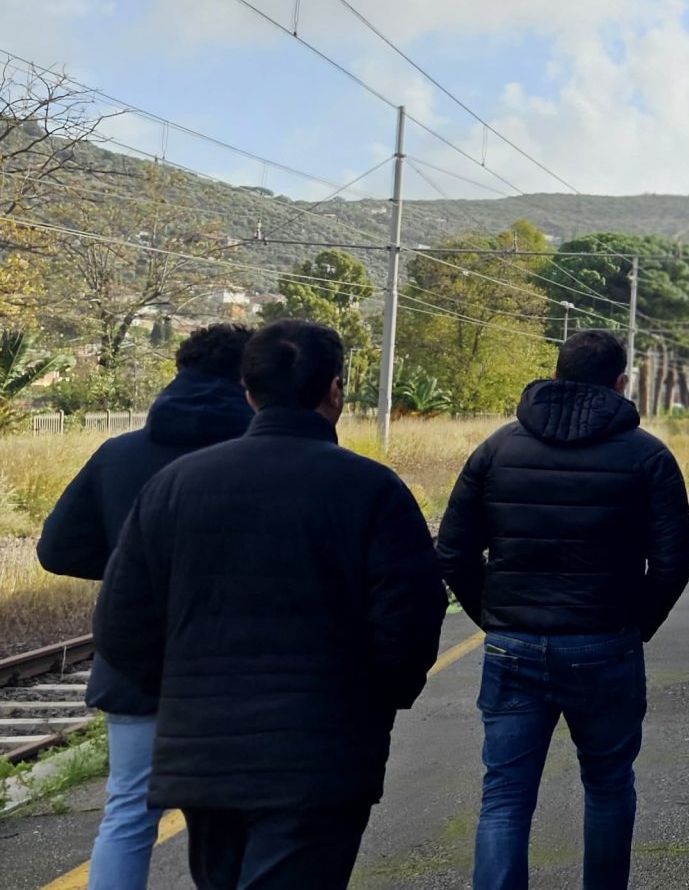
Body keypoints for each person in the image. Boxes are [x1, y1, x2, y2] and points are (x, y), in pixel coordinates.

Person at [93, 319, 445, 889]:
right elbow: (410, 621)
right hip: (322, 753)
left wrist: (185, 695)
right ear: (335, 389)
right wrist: (372, 703)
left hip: (206, 757)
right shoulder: (372, 489)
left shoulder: (175, 485)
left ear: (249, 391)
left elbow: (120, 623)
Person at [436, 329, 689, 890]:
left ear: (554, 375)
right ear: (621, 383)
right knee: (607, 785)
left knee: (504, 796)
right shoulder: (648, 456)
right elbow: (674, 559)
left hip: (514, 644)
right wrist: (636, 622)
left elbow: (453, 551)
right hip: (605, 642)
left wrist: (495, 616)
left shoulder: (498, 449)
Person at [35, 323, 254, 890]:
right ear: (246, 379)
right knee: (234, 818)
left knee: (130, 810)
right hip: (237, 670)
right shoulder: (266, 454)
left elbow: (56, 548)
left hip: (135, 664)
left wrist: (125, 566)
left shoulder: (118, 453)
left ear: (178, 372)